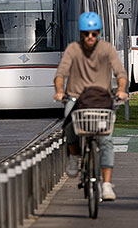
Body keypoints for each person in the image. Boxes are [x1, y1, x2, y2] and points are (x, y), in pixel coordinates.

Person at [53, 12, 128, 201]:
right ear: (81, 34)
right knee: (68, 126)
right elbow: (61, 73)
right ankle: (73, 157)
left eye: (94, 34)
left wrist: (121, 90)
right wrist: (60, 91)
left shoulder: (107, 49)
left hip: (100, 100)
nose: (90, 37)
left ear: (99, 33)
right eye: (86, 34)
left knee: (106, 141)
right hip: (76, 99)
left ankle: (107, 185)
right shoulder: (73, 49)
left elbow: (120, 73)